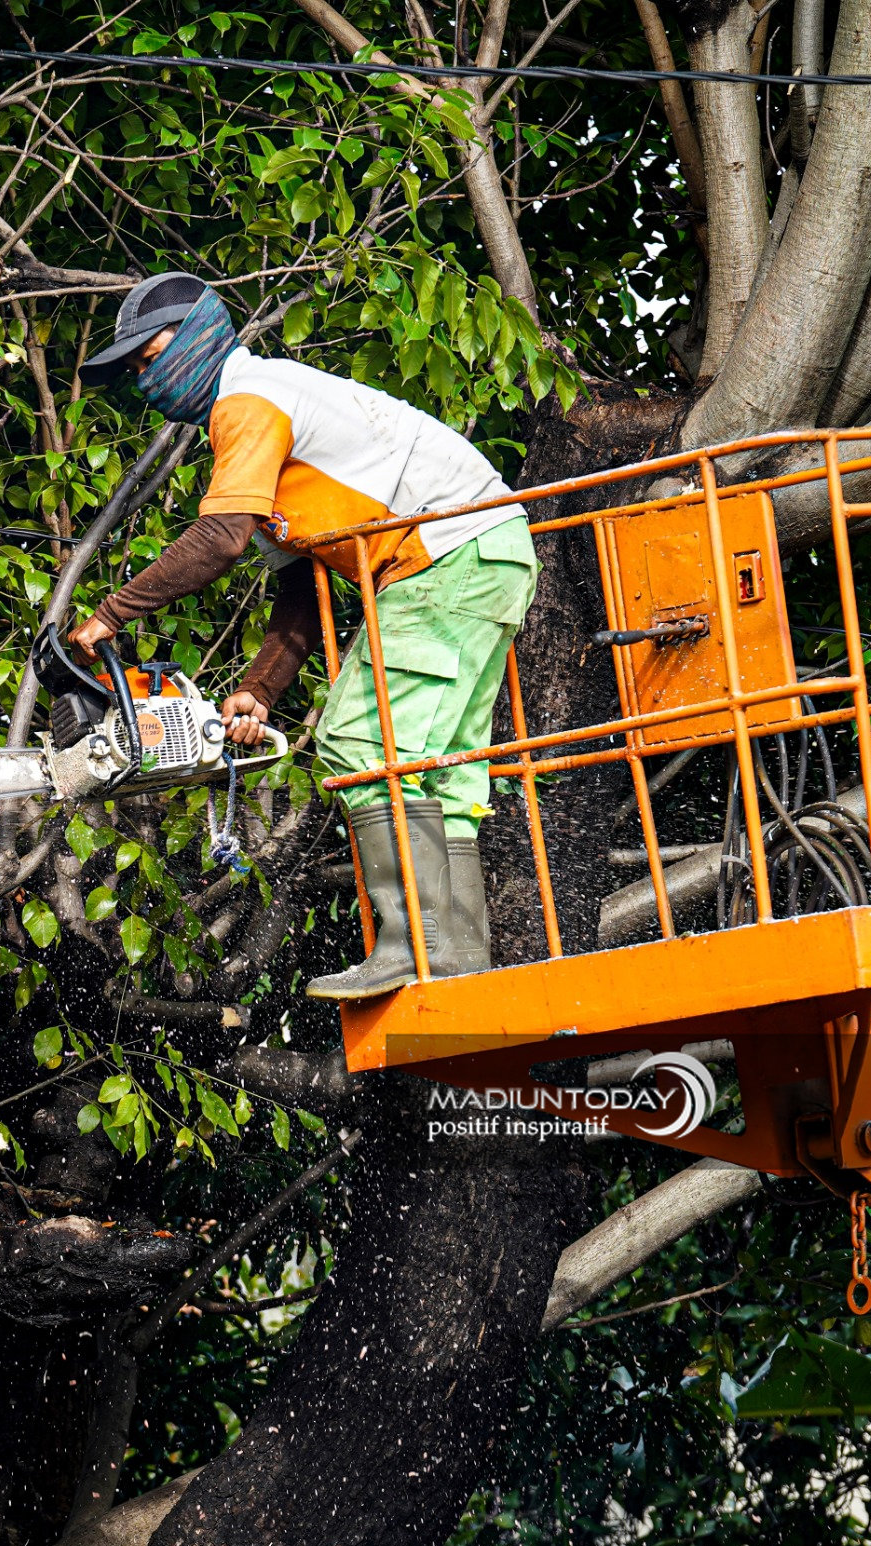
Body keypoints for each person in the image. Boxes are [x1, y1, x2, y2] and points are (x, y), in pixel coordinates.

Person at [65, 272, 539, 1000]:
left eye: (149, 358)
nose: (145, 381)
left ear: (195, 338)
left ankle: (413, 948)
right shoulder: (264, 413)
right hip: (483, 555)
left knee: (362, 740)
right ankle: (454, 961)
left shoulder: (248, 401)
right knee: (439, 768)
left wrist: (110, 614)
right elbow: (299, 590)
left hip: (445, 557)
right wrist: (258, 692)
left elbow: (220, 539)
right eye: (133, 370)